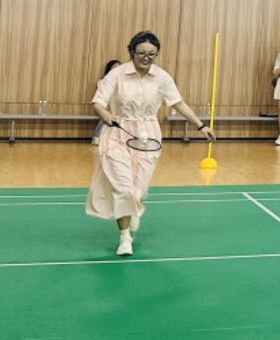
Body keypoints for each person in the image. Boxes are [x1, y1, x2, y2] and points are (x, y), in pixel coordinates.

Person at [86, 30, 215, 256]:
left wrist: (200, 125)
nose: (146, 58)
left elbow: (178, 103)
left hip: (148, 135)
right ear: (132, 52)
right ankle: (125, 238)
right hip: (117, 133)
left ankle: (133, 208)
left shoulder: (162, 77)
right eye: (141, 53)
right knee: (122, 187)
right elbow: (98, 102)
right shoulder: (116, 75)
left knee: (139, 190)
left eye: (151, 54)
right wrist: (105, 114)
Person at [91, 59, 122, 146]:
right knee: (106, 115)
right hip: (107, 107)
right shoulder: (103, 82)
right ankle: (97, 136)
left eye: (119, 68)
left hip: (118, 107)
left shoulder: (123, 82)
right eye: (114, 68)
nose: (117, 70)